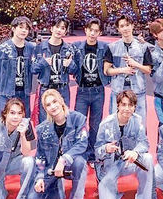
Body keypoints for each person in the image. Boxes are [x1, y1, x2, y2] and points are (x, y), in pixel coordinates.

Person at [26, 89, 88, 199]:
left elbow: (82, 143)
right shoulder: (42, 129)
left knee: (80, 162)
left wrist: (64, 158)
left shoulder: (78, 119)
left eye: (54, 102)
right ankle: (58, 190)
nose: (53, 106)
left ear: (61, 101)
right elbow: (40, 155)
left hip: (71, 165)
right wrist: (39, 177)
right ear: (45, 109)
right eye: (48, 105)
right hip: (51, 169)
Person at [95, 90, 156, 199]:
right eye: (123, 104)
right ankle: (113, 194)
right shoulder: (105, 124)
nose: (127, 109)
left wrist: (135, 152)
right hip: (110, 166)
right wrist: (105, 148)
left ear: (134, 107)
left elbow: (144, 143)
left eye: (130, 105)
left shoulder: (137, 121)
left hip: (129, 162)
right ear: (117, 105)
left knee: (147, 158)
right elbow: (96, 152)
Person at [70, 18, 111, 165]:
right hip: (82, 90)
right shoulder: (76, 47)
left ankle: (92, 155)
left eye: (96, 31)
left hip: (98, 91)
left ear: (100, 33)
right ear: (85, 30)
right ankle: (78, 153)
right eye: (90, 30)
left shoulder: (104, 47)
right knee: (79, 123)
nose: (92, 33)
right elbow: (71, 66)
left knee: (95, 125)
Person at [103, 16, 153, 122]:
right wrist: (122, 70)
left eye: (127, 25)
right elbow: (106, 71)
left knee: (139, 124)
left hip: (138, 91)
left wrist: (136, 64)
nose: (125, 28)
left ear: (132, 26)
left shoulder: (143, 47)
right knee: (115, 123)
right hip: (118, 91)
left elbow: (148, 70)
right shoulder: (112, 47)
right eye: (122, 26)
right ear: (118, 29)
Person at [0, 16, 35, 119]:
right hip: (6, 93)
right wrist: (1, 89)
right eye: (21, 27)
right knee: (3, 122)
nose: (24, 30)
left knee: (23, 122)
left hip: (24, 93)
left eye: (27, 28)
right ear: (13, 28)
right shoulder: (1, 50)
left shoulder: (31, 48)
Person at [31, 18, 74, 122]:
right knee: (45, 122)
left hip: (62, 89)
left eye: (62, 28)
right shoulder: (39, 48)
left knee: (63, 120)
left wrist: (70, 64)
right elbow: (33, 69)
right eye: (57, 27)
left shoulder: (69, 48)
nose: (59, 30)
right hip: (46, 89)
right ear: (51, 28)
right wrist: (44, 63)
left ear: (65, 31)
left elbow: (74, 71)